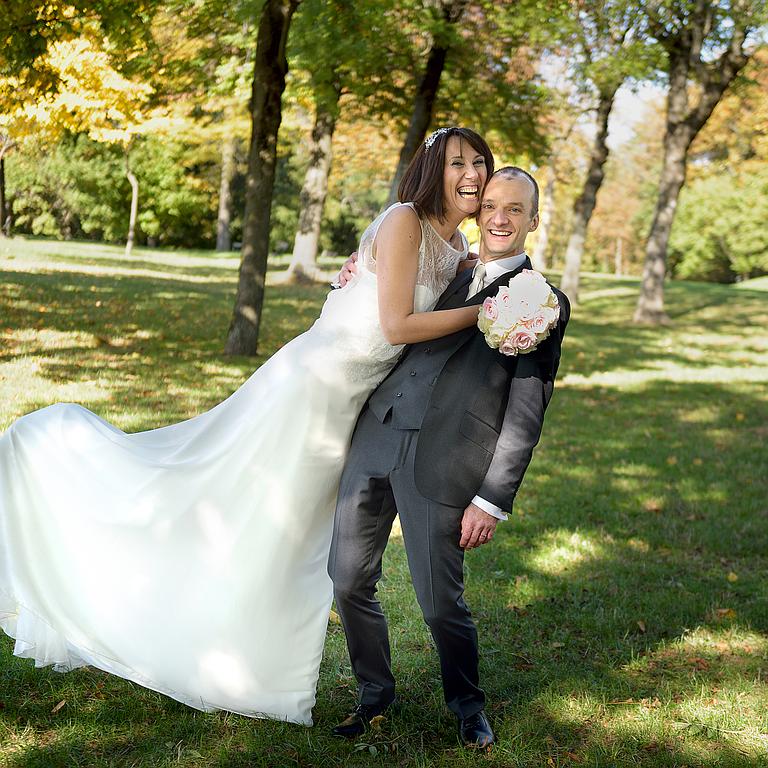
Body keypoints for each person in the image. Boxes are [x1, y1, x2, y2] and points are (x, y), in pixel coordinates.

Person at [0, 127, 493, 726]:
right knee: (230, 502)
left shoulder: (458, 246)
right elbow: (394, 325)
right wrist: (482, 316)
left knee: (284, 536)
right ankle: (180, 623)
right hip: (313, 386)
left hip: (349, 407)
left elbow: (464, 279)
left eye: (480, 163)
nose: (471, 172)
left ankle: (247, 662)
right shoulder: (404, 221)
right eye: (458, 162)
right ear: (432, 168)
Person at [328, 167, 570, 747]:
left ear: (533, 221)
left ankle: (467, 704)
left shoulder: (543, 303)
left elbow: (526, 411)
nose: (500, 217)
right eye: (490, 205)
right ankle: (373, 695)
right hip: (377, 434)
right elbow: (391, 296)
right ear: (478, 212)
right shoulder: (449, 270)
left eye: (515, 209)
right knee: (346, 578)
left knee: (439, 602)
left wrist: (491, 499)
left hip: (448, 457)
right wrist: (356, 273)